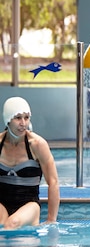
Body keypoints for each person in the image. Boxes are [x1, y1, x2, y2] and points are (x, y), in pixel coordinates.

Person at [0, 96, 60, 229]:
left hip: (29, 204)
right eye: (18, 118)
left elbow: (53, 181)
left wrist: (51, 220)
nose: (23, 123)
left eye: (26, 118)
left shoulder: (37, 145)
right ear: (8, 120)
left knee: (12, 223)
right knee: (2, 225)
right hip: (2, 203)